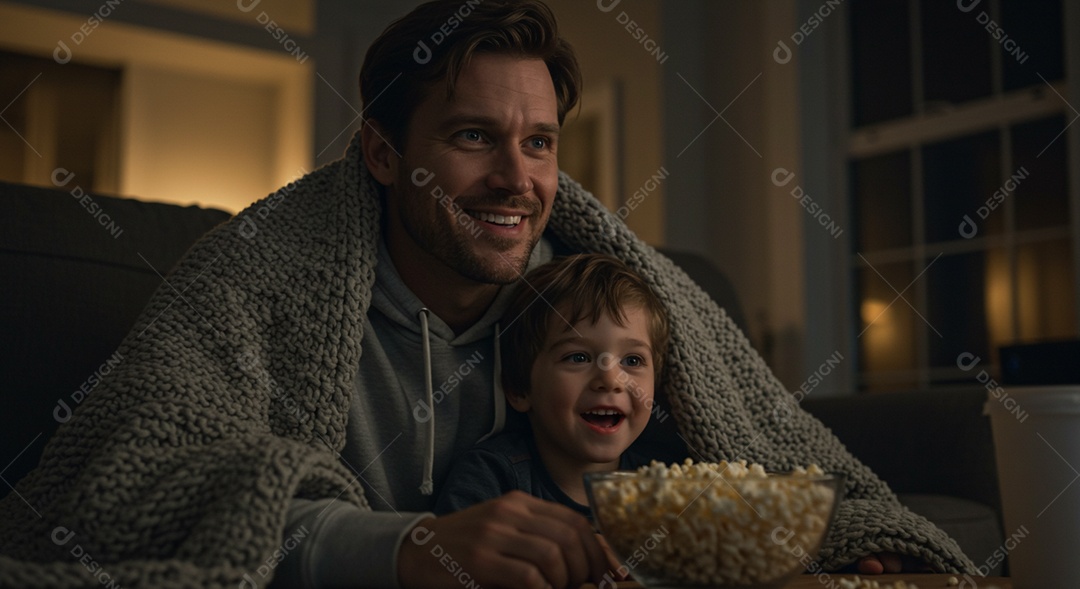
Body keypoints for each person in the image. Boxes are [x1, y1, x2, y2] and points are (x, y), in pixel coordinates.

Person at [0, 1, 975, 588]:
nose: (518, 178)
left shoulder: (593, 291)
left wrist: (830, 537)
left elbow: (756, 450)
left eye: (540, 142)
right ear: (384, 153)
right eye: (473, 137)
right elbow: (114, 495)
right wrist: (399, 549)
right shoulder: (254, 280)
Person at [434, 254, 667, 516]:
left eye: (632, 360)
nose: (611, 380)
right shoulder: (491, 478)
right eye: (578, 357)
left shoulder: (663, 485)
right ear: (519, 389)